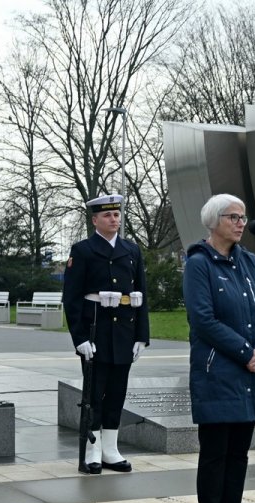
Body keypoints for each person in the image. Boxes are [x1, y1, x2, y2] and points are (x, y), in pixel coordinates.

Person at [183, 193, 255, 503]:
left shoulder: (250, 261)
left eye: (243, 217)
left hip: (251, 372)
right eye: (233, 217)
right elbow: (203, 320)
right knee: (215, 453)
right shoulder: (198, 264)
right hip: (218, 371)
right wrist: (244, 352)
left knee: (239, 453)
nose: (241, 223)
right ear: (214, 221)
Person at [63, 194, 149, 474]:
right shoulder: (83, 250)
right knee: (94, 393)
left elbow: (142, 295)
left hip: (124, 331)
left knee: (116, 393)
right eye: (108, 216)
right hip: (96, 331)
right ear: (95, 220)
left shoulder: (131, 250)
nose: (114, 219)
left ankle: (111, 450)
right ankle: (93, 450)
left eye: (117, 215)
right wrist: (79, 339)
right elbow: (72, 298)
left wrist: (141, 335)